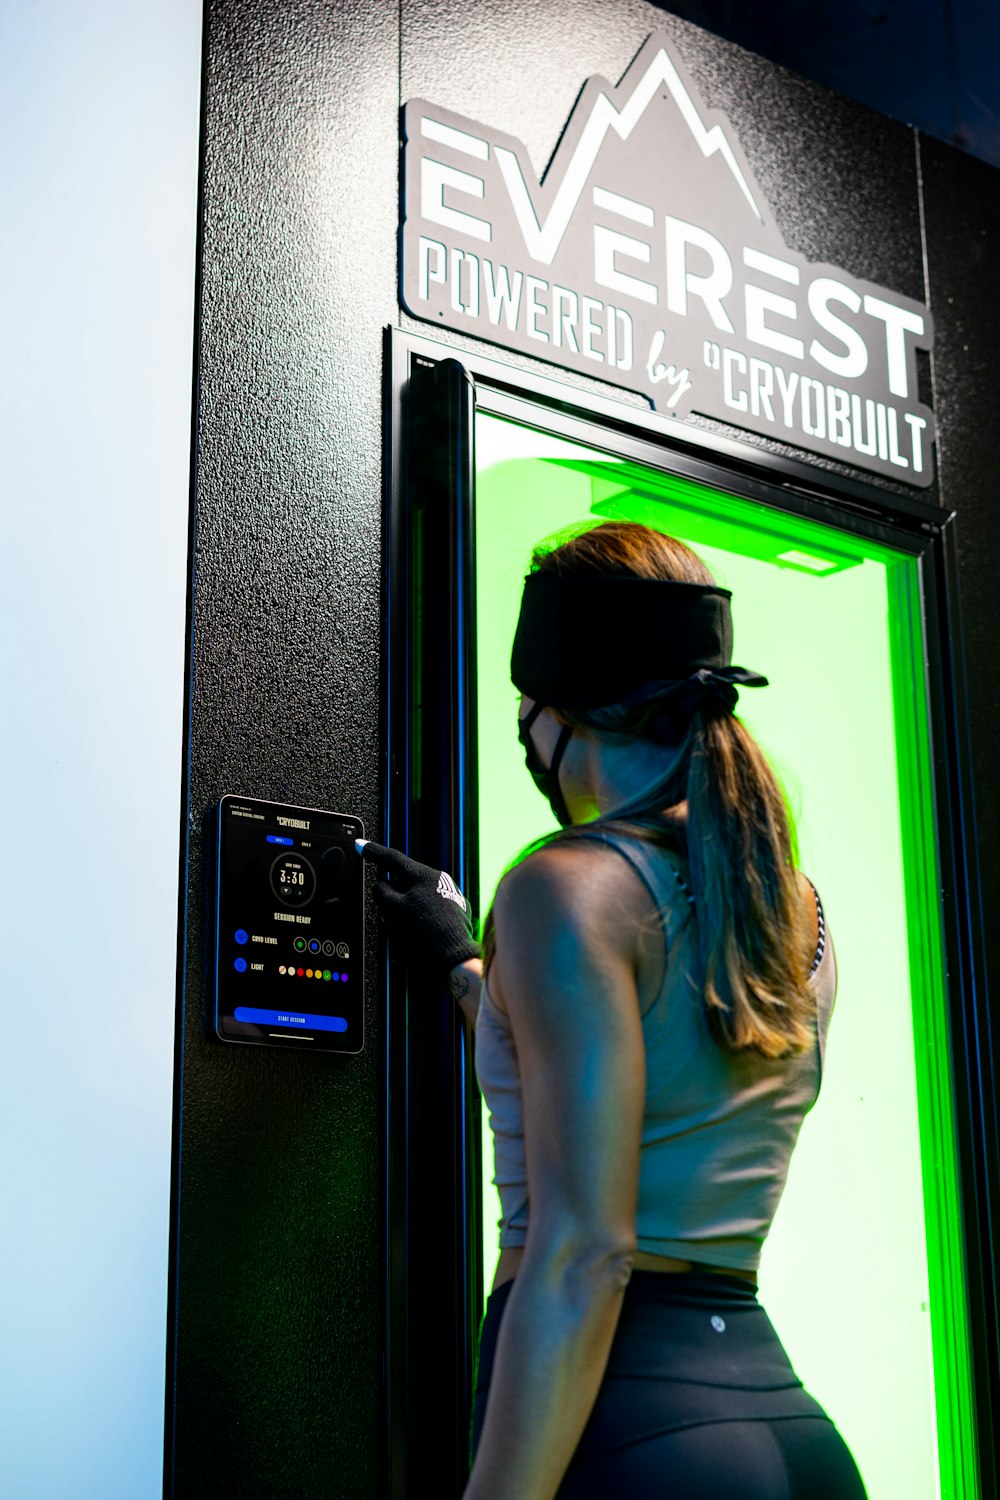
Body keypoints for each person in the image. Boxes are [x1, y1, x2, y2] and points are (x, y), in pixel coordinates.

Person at [361, 521, 869, 1499]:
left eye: (523, 706)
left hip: (631, 1438)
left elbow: (588, 1253)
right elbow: (642, 1077)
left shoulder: (565, 888)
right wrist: (465, 964)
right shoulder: (789, 907)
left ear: (560, 712)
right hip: (789, 1437)